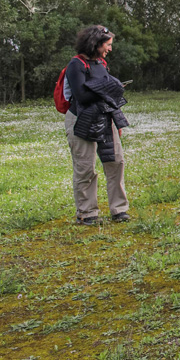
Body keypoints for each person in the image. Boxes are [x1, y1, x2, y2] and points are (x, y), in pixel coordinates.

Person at [63, 25, 130, 225]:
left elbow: (104, 92)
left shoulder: (101, 64)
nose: (110, 48)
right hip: (80, 120)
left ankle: (119, 210)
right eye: (107, 45)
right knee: (85, 168)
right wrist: (109, 88)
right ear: (95, 43)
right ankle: (87, 213)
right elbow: (82, 96)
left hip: (105, 117)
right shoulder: (75, 65)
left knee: (116, 162)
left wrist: (111, 93)